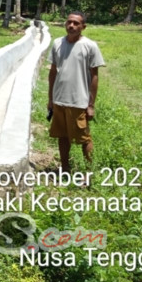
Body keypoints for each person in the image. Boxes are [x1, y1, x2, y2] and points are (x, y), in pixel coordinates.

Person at [47, 11, 105, 173]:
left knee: (84, 139)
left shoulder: (90, 46)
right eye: (69, 22)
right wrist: (51, 99)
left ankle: (88, 173)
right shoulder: (57, 43)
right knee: (62, 136)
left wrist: (91, 105)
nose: (71, 26)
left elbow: (94, 76)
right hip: (59, 100)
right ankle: (65, 168)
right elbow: (53, 72)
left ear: (83, 27)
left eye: (76, 23)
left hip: (78, 101)